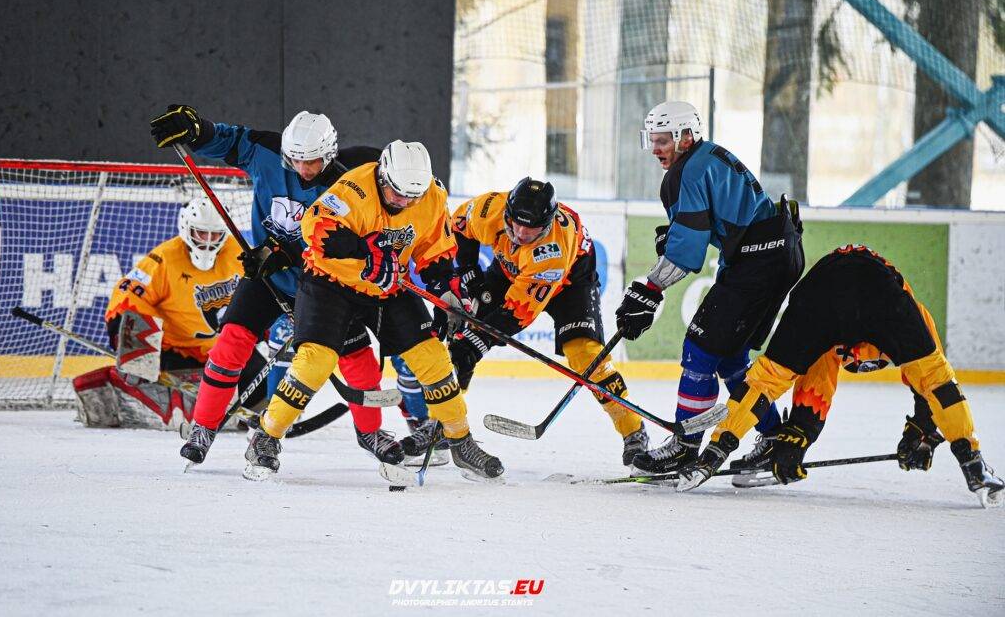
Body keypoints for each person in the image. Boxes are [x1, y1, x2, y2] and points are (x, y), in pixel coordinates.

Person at [149, 105, 401, 466]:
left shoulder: (351, 185)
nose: (303, 169)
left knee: (357, 357)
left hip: (326, 285)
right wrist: (198, 131)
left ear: (329, 153)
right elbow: (229, 140)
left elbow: (348, 242)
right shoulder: (267, 153)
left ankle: (371, 432)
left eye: (312, 161)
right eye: (296, 160)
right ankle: (203, 426)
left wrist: (287, 254)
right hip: (269, 277)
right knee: (231, 341)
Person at [243, 140, 504, 482]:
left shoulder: (431, 195)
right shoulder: (355, 186)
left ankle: (460, 439)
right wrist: (364, 251)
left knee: (433, 358)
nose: (404, 202)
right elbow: (314, 227)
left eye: (412, 197)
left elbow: (434, 250)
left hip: (388, 285)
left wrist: (447, 292)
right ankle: (267, 435)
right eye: (397, 193)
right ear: (383, 176)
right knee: (315, 361)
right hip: (330, 282)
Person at [677, 244, 1003, 508]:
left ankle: (713, 453)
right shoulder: (912, 315)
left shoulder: (829, 334)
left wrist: (798, 436)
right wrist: (925, 431)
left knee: (766, 379)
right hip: (873, 293)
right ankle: (973, 464)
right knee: (935, 379)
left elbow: (787, 385)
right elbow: (936, 386)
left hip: (821, 291)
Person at [615, 100, 804, 474]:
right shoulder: (704, 157)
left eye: (663, 140)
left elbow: (688, 252)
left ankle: (685, 446)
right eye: (651, 139)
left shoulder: (687, 172)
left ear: (686, 136)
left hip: (758, 261)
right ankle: (774, 437)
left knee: (699, 349)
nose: (655, 149)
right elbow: (710, 225)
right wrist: (676, 238)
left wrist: (649, 290)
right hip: (775, 253)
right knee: (730, 359)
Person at [447, 178, 649, 465]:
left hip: (571, 284)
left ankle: (633, 430)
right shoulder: (490, 208)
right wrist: (467, 268)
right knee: (461, 340)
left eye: (531, 229)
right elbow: (458, 227)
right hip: (511, 270)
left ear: (547, 223)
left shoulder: (552, 251)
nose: (520, 233)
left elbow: (518, 311)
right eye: (515, 223)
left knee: (586, 357)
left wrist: (479, 340)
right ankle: (444, 422)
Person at [73, 197, 262, 429]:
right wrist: (135, 348)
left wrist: (260, 332)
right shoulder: (165, 258)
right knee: (140, 368)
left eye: (215, 235)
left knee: (264, 383)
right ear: (186, 228)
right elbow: (127, 295)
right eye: (201, 233)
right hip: (175, 352)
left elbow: (261, 292)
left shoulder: (239, 252)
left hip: (223, 350)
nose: (208, 241)